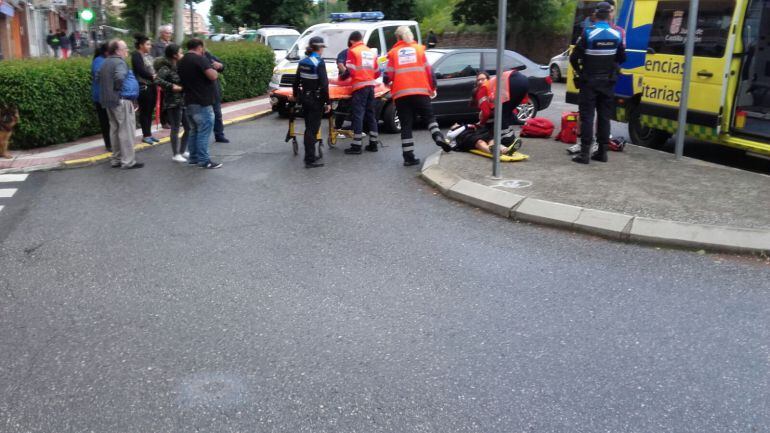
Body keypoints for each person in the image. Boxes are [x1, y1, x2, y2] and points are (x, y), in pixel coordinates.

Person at [384, 26, 450, 167]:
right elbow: (429, 71)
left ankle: (409, 157)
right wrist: (432, 88)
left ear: (398, 38)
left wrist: (386, 82)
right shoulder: (419, 50)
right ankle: (437, 135)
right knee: (429, 117)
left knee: (406, 125)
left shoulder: (394, 53)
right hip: (420, 91)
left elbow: (388, 74)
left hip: (402, 95)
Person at [569, 1, 625, 164]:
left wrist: (580, 73)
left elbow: (574, 57)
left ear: (595, 15)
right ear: (609, 15)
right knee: (604, 117)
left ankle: (585, 154)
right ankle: (602, 153)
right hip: (608, 82)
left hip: (589, 82)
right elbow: (622, 58)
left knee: (587, 117)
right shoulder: (617, 34)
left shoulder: (588, 33)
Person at [178, 38, 223, 169]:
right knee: (203, 131)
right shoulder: (200, 59)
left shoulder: (182, 61)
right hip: (202, 102)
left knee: (193, 131)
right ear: (200, 47)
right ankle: (204, 160)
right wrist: (214, 68)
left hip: (188, 100)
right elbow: (213, 76)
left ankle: (193, 158)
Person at [99, 39, 143, 169]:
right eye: (125, 48)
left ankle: (116, 159)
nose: (127, 51)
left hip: (109, 101)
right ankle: (128, 161)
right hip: (121, 100)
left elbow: (97, 77)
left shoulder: (105, 62)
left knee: (114, 130)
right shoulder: (119, 62)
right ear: (118, 51)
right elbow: (119, 77)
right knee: (126, 131)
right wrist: (118, 90)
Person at [292, 36, 330, 169]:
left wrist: (296, 96)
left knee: (309, 127)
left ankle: (311, 155)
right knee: (312, 130)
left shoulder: (303, 62)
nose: (323, 50)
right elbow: (324, 85)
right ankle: (309, 159)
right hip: (316, 100)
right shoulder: (319, 62)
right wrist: (328, 102)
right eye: (322, 48)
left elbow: (296, 82)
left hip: (305, 99)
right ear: (319, 48)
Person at [343, 31, 380, 155]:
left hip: (359, 87)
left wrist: (342, 77)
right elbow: (377, 72)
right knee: (371, 114)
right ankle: (373, 143)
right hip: (371, 86)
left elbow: (350, 71)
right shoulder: (370, 52)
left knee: (358, 115)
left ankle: (357, 145)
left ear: (352, 41)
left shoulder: (353, 51)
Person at [155, 43, 189, 163]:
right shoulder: (166, 68)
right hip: (172, 103)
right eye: (180, 52)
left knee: (188, 127)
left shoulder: (178, 65)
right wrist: (171, 86)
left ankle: (183, 150)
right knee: (175, 128)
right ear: (174, 55)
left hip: (183, 101)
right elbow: (157, 79)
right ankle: (175, 154)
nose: (182, 54)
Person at [482, 68, 529, 148]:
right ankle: (511, 136)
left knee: (501, 113)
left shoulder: (482, 90)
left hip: (513, 81)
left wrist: (482, 122)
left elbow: (486, 113)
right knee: (506, 112)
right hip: (523, 80)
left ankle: (508, 141)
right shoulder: (491, 82)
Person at [131, 34, 159, 144]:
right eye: (147, 44)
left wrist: (156, 75)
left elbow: (153, 68)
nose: (150, 46)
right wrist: (152, 76)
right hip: (144, 87)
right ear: (141, 45)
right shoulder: (136, 55)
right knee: (145, 112)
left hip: (152, 86)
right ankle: (146, 135)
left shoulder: (148, 56)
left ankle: (149, 134)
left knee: (150, 111)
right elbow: (140, 70)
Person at [446, 123, 520, 156]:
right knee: (479, 142)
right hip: (467, 137)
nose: (456, 124)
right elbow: (450, 136)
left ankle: (505, 150)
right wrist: (466, 126)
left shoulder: (466, 126)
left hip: (477, 134)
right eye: (454, 125)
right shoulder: (451, 132)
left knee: (491, 140)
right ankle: (493, 151)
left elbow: (478, 126)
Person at [204, 50, 229, 143]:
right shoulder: (193, 58)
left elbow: (221, 66)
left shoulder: (207, 55)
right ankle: (202, 139)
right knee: (203, 117)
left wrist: (220, 65)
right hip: (201, 92)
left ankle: (219, 135)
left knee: (217, 114)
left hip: (213, 90)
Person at [91, 43, 112, 152]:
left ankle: (111, 143)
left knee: (109, 121)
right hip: (101, 97)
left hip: (105, 95)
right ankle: (109, 144)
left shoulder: (103, 59)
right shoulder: (99, 60)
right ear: (106, 52)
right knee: (105, 121)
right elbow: (99, 74)